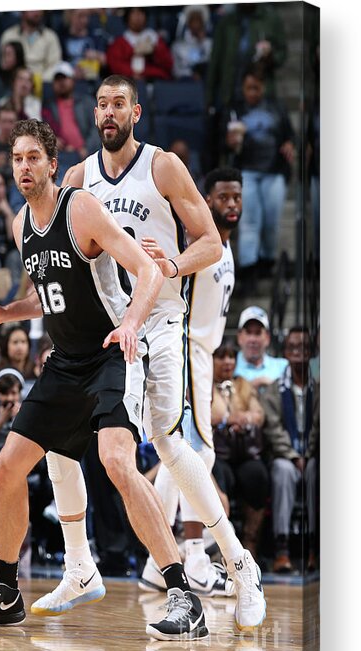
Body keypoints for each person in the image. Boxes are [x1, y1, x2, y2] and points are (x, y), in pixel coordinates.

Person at [0, 118, 209, 641]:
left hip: (109, 353)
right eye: (15, 159)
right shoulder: (21, 224)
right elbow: (48, 297)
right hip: (65, 361)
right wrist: (5, 313)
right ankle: (5, 590)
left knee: (117, 461)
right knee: (6, 466)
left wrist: (132, 324)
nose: (23, 167)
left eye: (31, 158)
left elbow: (148, 270)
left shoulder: (80, 206)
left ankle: (183, 594)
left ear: (51, 163)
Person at [34, 76, 266, 632]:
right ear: (93, 116)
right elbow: (63, 266)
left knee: (166, 440)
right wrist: (59, 339)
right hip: (109, 332)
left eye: (120, 104)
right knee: (56, 429)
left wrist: (171, 266)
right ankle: (79, 562)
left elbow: (209, 240)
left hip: (161, 323)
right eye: (102, 106)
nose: (110, 113)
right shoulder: (76, 179)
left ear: (136, 111)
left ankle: (237, 563)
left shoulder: (162, 166)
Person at [140, 167, 243, 592]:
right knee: (198, 456)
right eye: (222, 197)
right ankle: (196, 557)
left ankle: (155, 562)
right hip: (184, 348)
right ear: (205, 200)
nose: (231, 204)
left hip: (202, 352)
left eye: (236, 197)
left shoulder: (227, 248)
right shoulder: (196, 244)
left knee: (177, 459)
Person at [223, 65, 296, 288]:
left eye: (256, 88)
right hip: (247, 172)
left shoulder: (276, 108)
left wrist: (289, 144)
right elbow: (221, 141)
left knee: (272, 222)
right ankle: (248, 266)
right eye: (248, 88)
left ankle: (267, 260)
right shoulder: (235, 110)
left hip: (273, 171)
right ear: (243, 89)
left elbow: (289, 135)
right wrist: (230, 142)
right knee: (249, 221)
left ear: (263, 88)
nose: (252, 92)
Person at [261, 327, 319, 572]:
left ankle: (316, 548)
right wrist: (294, 455)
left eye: (304, 346)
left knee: (318, 470)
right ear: (285, 352)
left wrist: (308, 453)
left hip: (313, 454)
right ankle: (282, 550)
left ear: (312, 351)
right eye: (293, 347)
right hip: (286, 457)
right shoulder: (275, 389)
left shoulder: (321, 389)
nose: (298, 351)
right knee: (283, 471)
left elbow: (320, 426)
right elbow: (273, 428)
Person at [211, 339, 269, 559]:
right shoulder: (203, 384)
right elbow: (207, 416)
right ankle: (222, 546)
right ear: (211, 359)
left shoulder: (243, 384)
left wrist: (244, 418)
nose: (227, 362)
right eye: (221, 357)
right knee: (218, 475)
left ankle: (250, 540)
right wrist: (227, 417)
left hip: (244, 452)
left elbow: (259, 415)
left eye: (231, 357)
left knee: (258, 475)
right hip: (218, 454)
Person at [42, 62, 100, 157]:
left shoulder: (86, 102)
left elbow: (98, 127)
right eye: (57, 79)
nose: (61, 82)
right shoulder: (48, 106)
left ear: (73, 80)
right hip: (62, 155)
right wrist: (52, 139)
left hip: (88, 154)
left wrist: (87, 148)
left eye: (64, 78)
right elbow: (43, 130)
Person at [106, 7, 173, 81]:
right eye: (133, 13)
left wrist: (155, 49)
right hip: (129, 82)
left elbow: (168, 65)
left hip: (154, 81)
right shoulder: (120, 42)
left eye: (141, 12)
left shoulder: (155, 39)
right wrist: (132, 73)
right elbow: (115, 65)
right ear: (127, 17)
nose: (138, 16)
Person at [0, 11, 63, 84]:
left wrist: (36, 80)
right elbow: (4, 64)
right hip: (13, 82)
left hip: (42, 83)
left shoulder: (50, 36)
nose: (37, 12)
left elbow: (55, 65)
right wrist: (20, 79)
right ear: (22, 12)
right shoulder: (9, 35)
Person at [235, 305, 288, 390]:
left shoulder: (283, 367)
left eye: (258, 333)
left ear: (267, 338)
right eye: (248, 332)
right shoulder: (229, 366)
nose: (252, 339)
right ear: (239, 337)